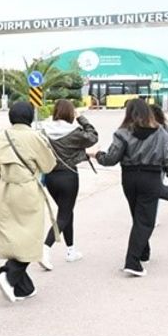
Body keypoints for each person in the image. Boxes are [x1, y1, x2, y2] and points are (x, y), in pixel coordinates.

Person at [91, 98, 168, 277]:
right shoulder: (161, 132)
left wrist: (97, 154)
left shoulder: (122, 133)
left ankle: (143, 252)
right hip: (151, 177)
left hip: (129, 177)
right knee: (146, 220)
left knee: (137, 215)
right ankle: (132, 261)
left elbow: (111, 159)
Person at [0, 101, 57, 302]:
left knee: (12, 236)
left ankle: (24, 288)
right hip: (27, 190)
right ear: (30, 116)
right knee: (30, 237)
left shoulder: (0, 137)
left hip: (4, 189)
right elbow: (49, 164)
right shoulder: (35, 137)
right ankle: (7, 275)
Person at [38, 99, 98, 269]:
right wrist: (81, 119)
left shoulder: (44, 130)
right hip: (68, 176)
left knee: (66, 212)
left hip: (50, 177)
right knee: (64, 214)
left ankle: (71, 250)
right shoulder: (74, 132)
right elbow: (93, 137)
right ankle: (45, 248)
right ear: (71, 113)